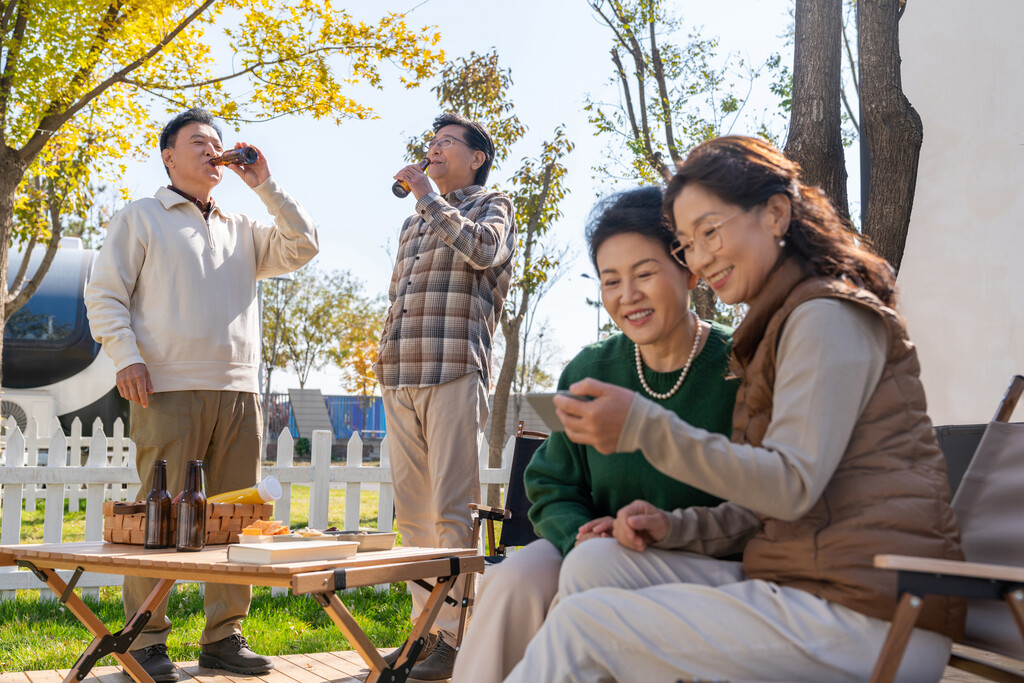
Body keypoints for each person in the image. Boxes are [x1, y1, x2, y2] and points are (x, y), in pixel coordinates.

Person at [505, 135, 965, 683]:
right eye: (687, 242)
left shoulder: (827, 317)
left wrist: (643, 427)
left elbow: (789, 485)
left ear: (774, 214)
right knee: (596, 563)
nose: (701, 255)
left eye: (709, 231)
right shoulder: (778, 326)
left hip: (869, 612)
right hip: (802, 584)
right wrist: (671, 528)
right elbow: (766, 510)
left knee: (583, 625)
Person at [451, 186, 748, 683]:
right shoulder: (593, 368)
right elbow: (552, 485)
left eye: (645, 274)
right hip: (596, 547)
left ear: (690, 270)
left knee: (591, 579)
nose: (626, 296)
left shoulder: (742, 367)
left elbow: (768, 494)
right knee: (513, 580)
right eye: (611, 281)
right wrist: (580, 535)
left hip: (709, 558)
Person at [85, 108, 318, 681]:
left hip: (239, 390)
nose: (212, 150)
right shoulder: (141, 216)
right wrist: (128, 358)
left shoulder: (243, 225)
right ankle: (145, 641)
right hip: (166, 386)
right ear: (168, 156)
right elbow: (105, 293)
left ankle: (223, 639)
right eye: (198, 142)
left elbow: (304, 245)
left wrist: (265, 185)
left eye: (218, 143)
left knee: (238, 519)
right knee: (157, 518)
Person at [374, 112, 516, 681]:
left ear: (477, 157)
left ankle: (455, 641)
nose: (432, 150)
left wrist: (429, 197)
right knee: (413, 517)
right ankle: (423, 632)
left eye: (446, 143)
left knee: (452, 512)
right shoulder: (413, 225)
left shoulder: (492, 206)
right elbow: (399, 297)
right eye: (429, 143)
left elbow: (483, 251)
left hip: (454, 369)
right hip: (401, 373)